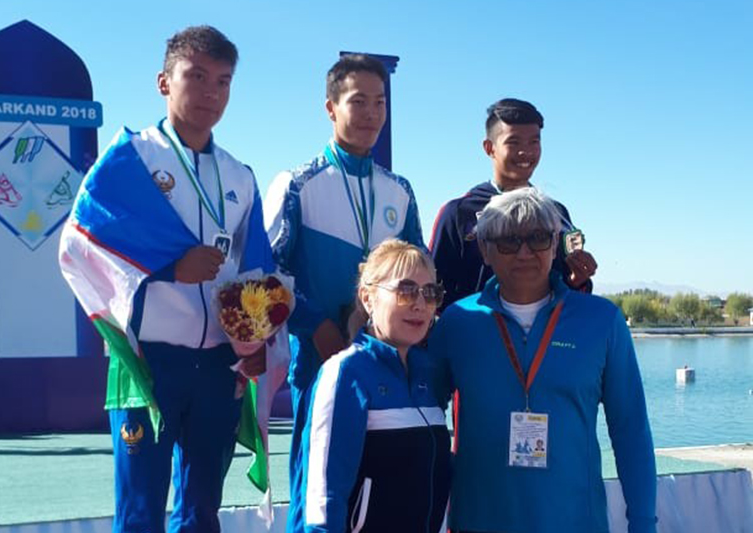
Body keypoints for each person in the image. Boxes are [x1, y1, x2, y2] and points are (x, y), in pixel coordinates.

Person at [59, 26, 276, 533]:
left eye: (222, 81)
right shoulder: (130, 159)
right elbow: (80, 242)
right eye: (196, 76)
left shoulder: (240, 177)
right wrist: (169, 268)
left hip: (219, 363)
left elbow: (256, 270)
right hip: (147, 361)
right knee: (140, 512)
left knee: (201, 510)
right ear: (164, 82)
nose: (210, 93)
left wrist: (257, 339)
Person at [429, 187, 657, 533]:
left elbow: (631, 431)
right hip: (478, 522)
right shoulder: (457, 322)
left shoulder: (602, 321)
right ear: (485, 250)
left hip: (576, 524)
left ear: (554, 247)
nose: (524, 252)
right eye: (508, 241)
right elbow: (420, 420)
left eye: (538, 238)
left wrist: (643, 523)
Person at [263, 54, 425, 531]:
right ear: (330, 107)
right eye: (358, 102)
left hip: (388, 363)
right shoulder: (297, 184)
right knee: (316, 490)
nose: (372, 113)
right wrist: (317, 326)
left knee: (385, 486)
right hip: (322, 359)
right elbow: (268, 273)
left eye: (380, 102)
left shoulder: (399, 191)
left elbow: (419, 269)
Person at [298, 239, 451, 533]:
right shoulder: (345, 374)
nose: (420, 304)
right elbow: (323, 498)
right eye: (406, 290)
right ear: (368, 298)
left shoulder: (429, 376)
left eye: (430, 293)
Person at [429, 98, 597, 311]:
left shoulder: (556, 213)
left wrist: (577, 281)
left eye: (534, 142)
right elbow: (432, 289)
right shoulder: (458, 214)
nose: (525, 152)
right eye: (514, 142)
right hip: (476, 329)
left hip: (544, 331)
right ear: (489, 148)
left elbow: (568, 292)